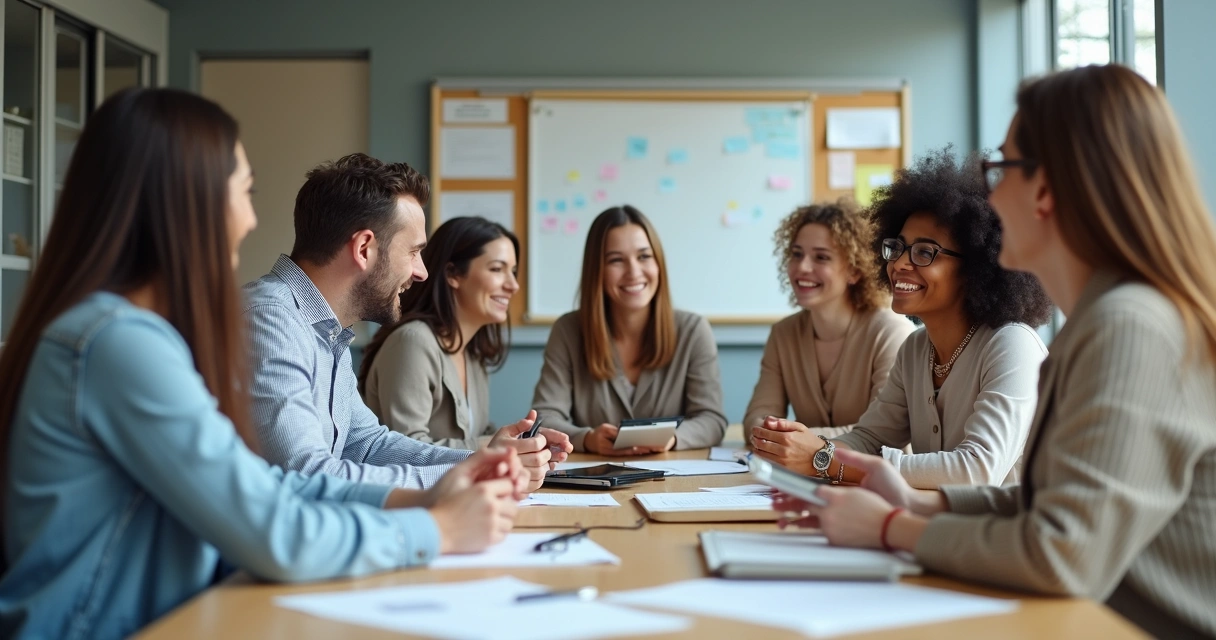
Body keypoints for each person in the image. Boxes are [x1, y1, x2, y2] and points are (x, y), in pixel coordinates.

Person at [0, 89, 525, 640]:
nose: (251, 220)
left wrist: (429, 492)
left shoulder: (131, 334)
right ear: (186, 200)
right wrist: (436, 529)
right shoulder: (121, 343)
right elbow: (274, 526)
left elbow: (265, 485)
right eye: (245, 192)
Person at [777, 65, 1216, 639]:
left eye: (1001, 168)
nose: (992, 193)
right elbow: (1041, 507)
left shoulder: (1130, 327)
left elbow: (1060, 552)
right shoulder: (1101, 320)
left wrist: (890, 527)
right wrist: (916, 503)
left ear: (1046, 191)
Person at [243, 154, 571, 490]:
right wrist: (474, 474)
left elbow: (368, 446)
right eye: (413, 252)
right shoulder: (270, 321)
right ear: (364, 248)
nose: (422, 272)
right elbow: (308, 476)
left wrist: (485, 462)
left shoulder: (328, 332)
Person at [752, 147, 1052, 488]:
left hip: (1005, 524)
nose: (899, 263)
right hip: (932, 520)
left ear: (975, 269)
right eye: (897, 248)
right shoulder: (916, 349)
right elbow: (868, 438)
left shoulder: (1012, 345)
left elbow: (977, 470)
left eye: (925, 252)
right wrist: (802, 447)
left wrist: (825, 459)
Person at [532, 205, 727, 454]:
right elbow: (545, 418)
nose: (634, 272)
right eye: (616, 260)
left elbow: (712, 419)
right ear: (597, 270)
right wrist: (587, 439)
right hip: (596, 472)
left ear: (658, 263)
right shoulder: (568, 331)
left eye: (644, 256)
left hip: (670, 472)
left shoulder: (693, 330)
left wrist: (673, 438)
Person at [742, 199, 913, 440]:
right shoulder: (783, 333)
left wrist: (792, 439)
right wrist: (770, 432)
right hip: (804, 465)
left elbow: (883, 432)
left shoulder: (890, 332)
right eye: (796, 254)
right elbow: (757, 416)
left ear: (854, 270)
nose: (803, 267)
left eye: (821, 257)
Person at [359, 217, 519, 449]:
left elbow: (477, 434)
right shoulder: (413, 342)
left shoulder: (472, 352)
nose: (513, 285)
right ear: (453, 274)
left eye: (513, 271)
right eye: (497, 269)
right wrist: (494, 446)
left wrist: (522, 441)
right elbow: (406, 448)